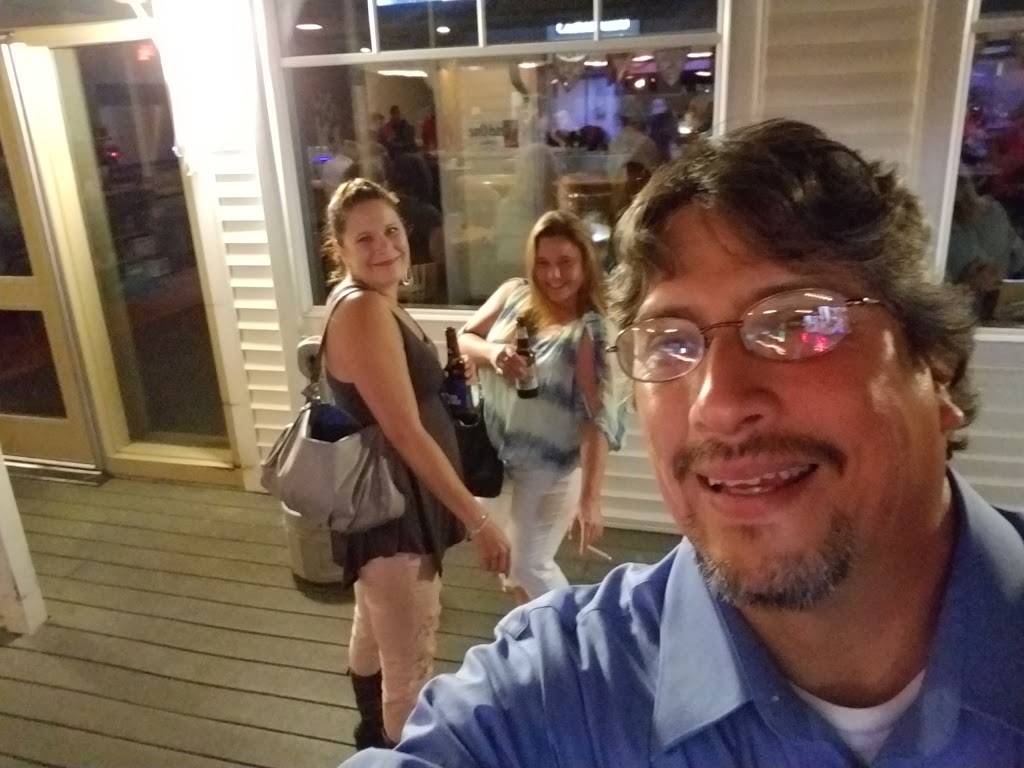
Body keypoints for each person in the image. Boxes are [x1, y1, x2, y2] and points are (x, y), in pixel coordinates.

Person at [341, 120, 1024, 766]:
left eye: (797, 323)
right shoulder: (560, 684)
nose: (716, 404)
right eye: (670, 343)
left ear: (935, 367)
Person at [321, 178, 510, 751]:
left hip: (387, 505)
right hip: (397, 512)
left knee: (374, 629)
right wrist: (479, 520)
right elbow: (403, 431)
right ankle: (396, 755)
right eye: (364, 239)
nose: (384, 247)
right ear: (339, 249)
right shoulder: (364, 310)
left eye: (391, 231)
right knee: (410, 671)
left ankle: (367, 738)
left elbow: (399, 397)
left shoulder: (373, 301)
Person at [457, 210, 624, 603]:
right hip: (496, 455)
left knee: (530, 564)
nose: (554, 275)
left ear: (585, 263)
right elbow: (465, 337)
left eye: (566, 262)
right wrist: (494, 354)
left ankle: (570, 634)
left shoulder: (589, 330)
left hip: (546, 468)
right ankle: (531, 633)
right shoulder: (514, 294)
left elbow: (597, 417)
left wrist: (591, 499)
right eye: (543, 263)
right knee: (509, 566)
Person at [946, 172, 1024, 321]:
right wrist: (968, 286)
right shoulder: (994, 213)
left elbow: (1018, 259)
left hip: (991, 315)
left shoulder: (994, 214)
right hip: (966, 316)